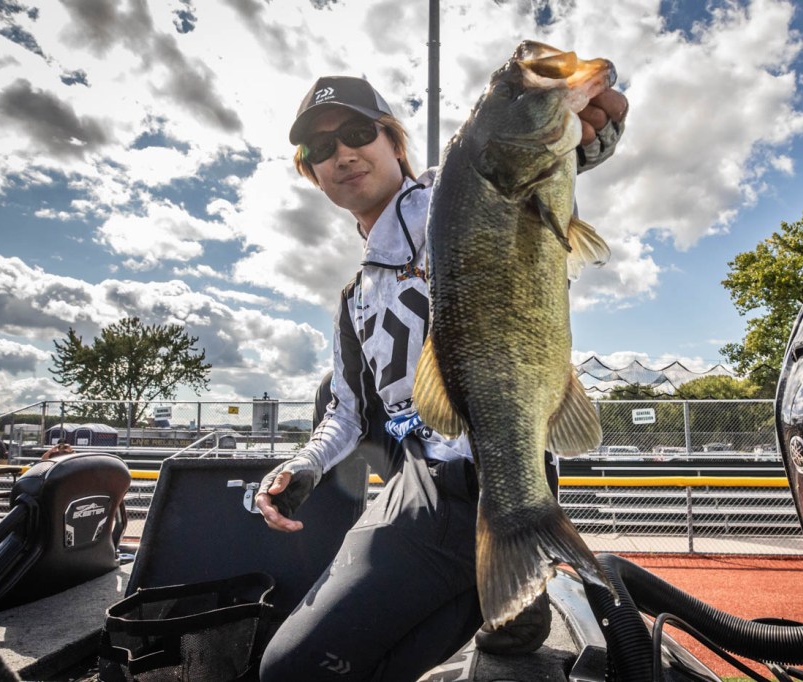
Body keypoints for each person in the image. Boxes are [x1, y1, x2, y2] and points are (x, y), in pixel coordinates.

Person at [256, 72, 627, 681]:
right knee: (324, 668)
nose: (343, 154)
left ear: (394, 142)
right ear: (312, 173)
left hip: (495, 469)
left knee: (287, 673)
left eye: (358, 133)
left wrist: (571, 146)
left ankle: (504, 575)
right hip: (417, 487)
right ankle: (503, 587)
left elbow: (510, 181)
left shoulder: (452, 196)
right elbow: (344, 412)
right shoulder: (353, 299)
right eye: (321, 148)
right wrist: (304, 467)